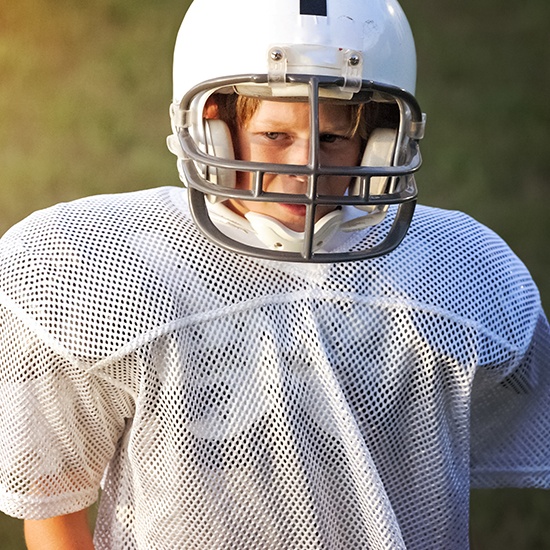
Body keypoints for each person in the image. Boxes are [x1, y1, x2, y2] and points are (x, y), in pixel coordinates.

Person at [0, 0, 548, 548]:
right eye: (275, 136)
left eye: (334, 138)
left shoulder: (459, 268)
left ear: (380, 143)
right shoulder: (109, 264)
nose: (305, 168)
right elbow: (53, 500)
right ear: (212, 133)